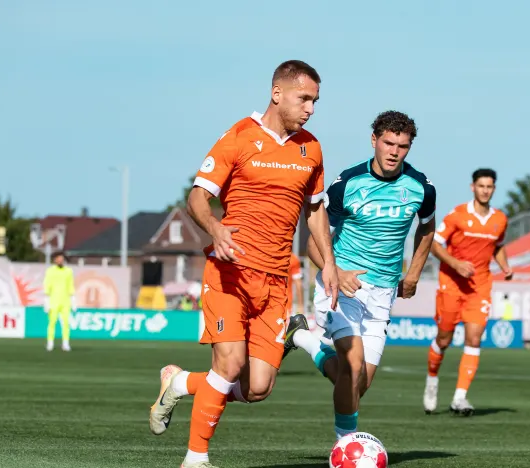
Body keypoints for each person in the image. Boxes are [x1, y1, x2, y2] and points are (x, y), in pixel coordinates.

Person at [147, 60, 339, 468]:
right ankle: (195, 458)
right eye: (304, 98)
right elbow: (198, 196)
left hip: (275, 282)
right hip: (230, 274)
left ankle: (179, 383)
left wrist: (330, 265)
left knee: (256, 388)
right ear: (277, 93)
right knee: (229, 362)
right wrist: (214, 228)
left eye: (315, 101)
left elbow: (316, 212)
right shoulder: (237, 137)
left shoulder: (312, 148)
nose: (311, 108)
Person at [284, 110, 436, 440]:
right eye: (388, 143)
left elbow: (427, 229)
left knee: (359, 384)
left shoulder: (421, 187)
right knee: (351, 370)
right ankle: (345, 447)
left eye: (403, 146)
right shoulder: (347, 184)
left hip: (383, 293)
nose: (395, 151)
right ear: (374, 141)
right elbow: (314, 243)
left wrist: (412, 275)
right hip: (340, 289)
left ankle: (302, 337)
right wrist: (335, 271)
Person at [422, 168, 513, 416]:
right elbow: (433, 243)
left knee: (474, 338)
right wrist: (455, 264)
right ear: (473, 187)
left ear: (494, 189)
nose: (485, 190)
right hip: (451, 283)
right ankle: (432, 380)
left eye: (489, 187)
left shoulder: (499, 219)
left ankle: (460, 398)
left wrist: (505, 266)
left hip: (479, 286)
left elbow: (499, 246)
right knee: (444, 339)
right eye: (481, 186)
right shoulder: (458, 215)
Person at [42, 252, 77, 352]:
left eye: (62, 259)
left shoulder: (68, 271)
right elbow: (47, 284)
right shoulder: (50, 271)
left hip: (65, 301)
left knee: (66, 323)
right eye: (58, 259)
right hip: (53, 300)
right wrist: (46, 299)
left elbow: (70, 284)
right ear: (55, 260)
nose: (60, 260)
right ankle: (50, 343)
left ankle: (65, 343)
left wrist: (73, 298)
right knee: (52, 322)